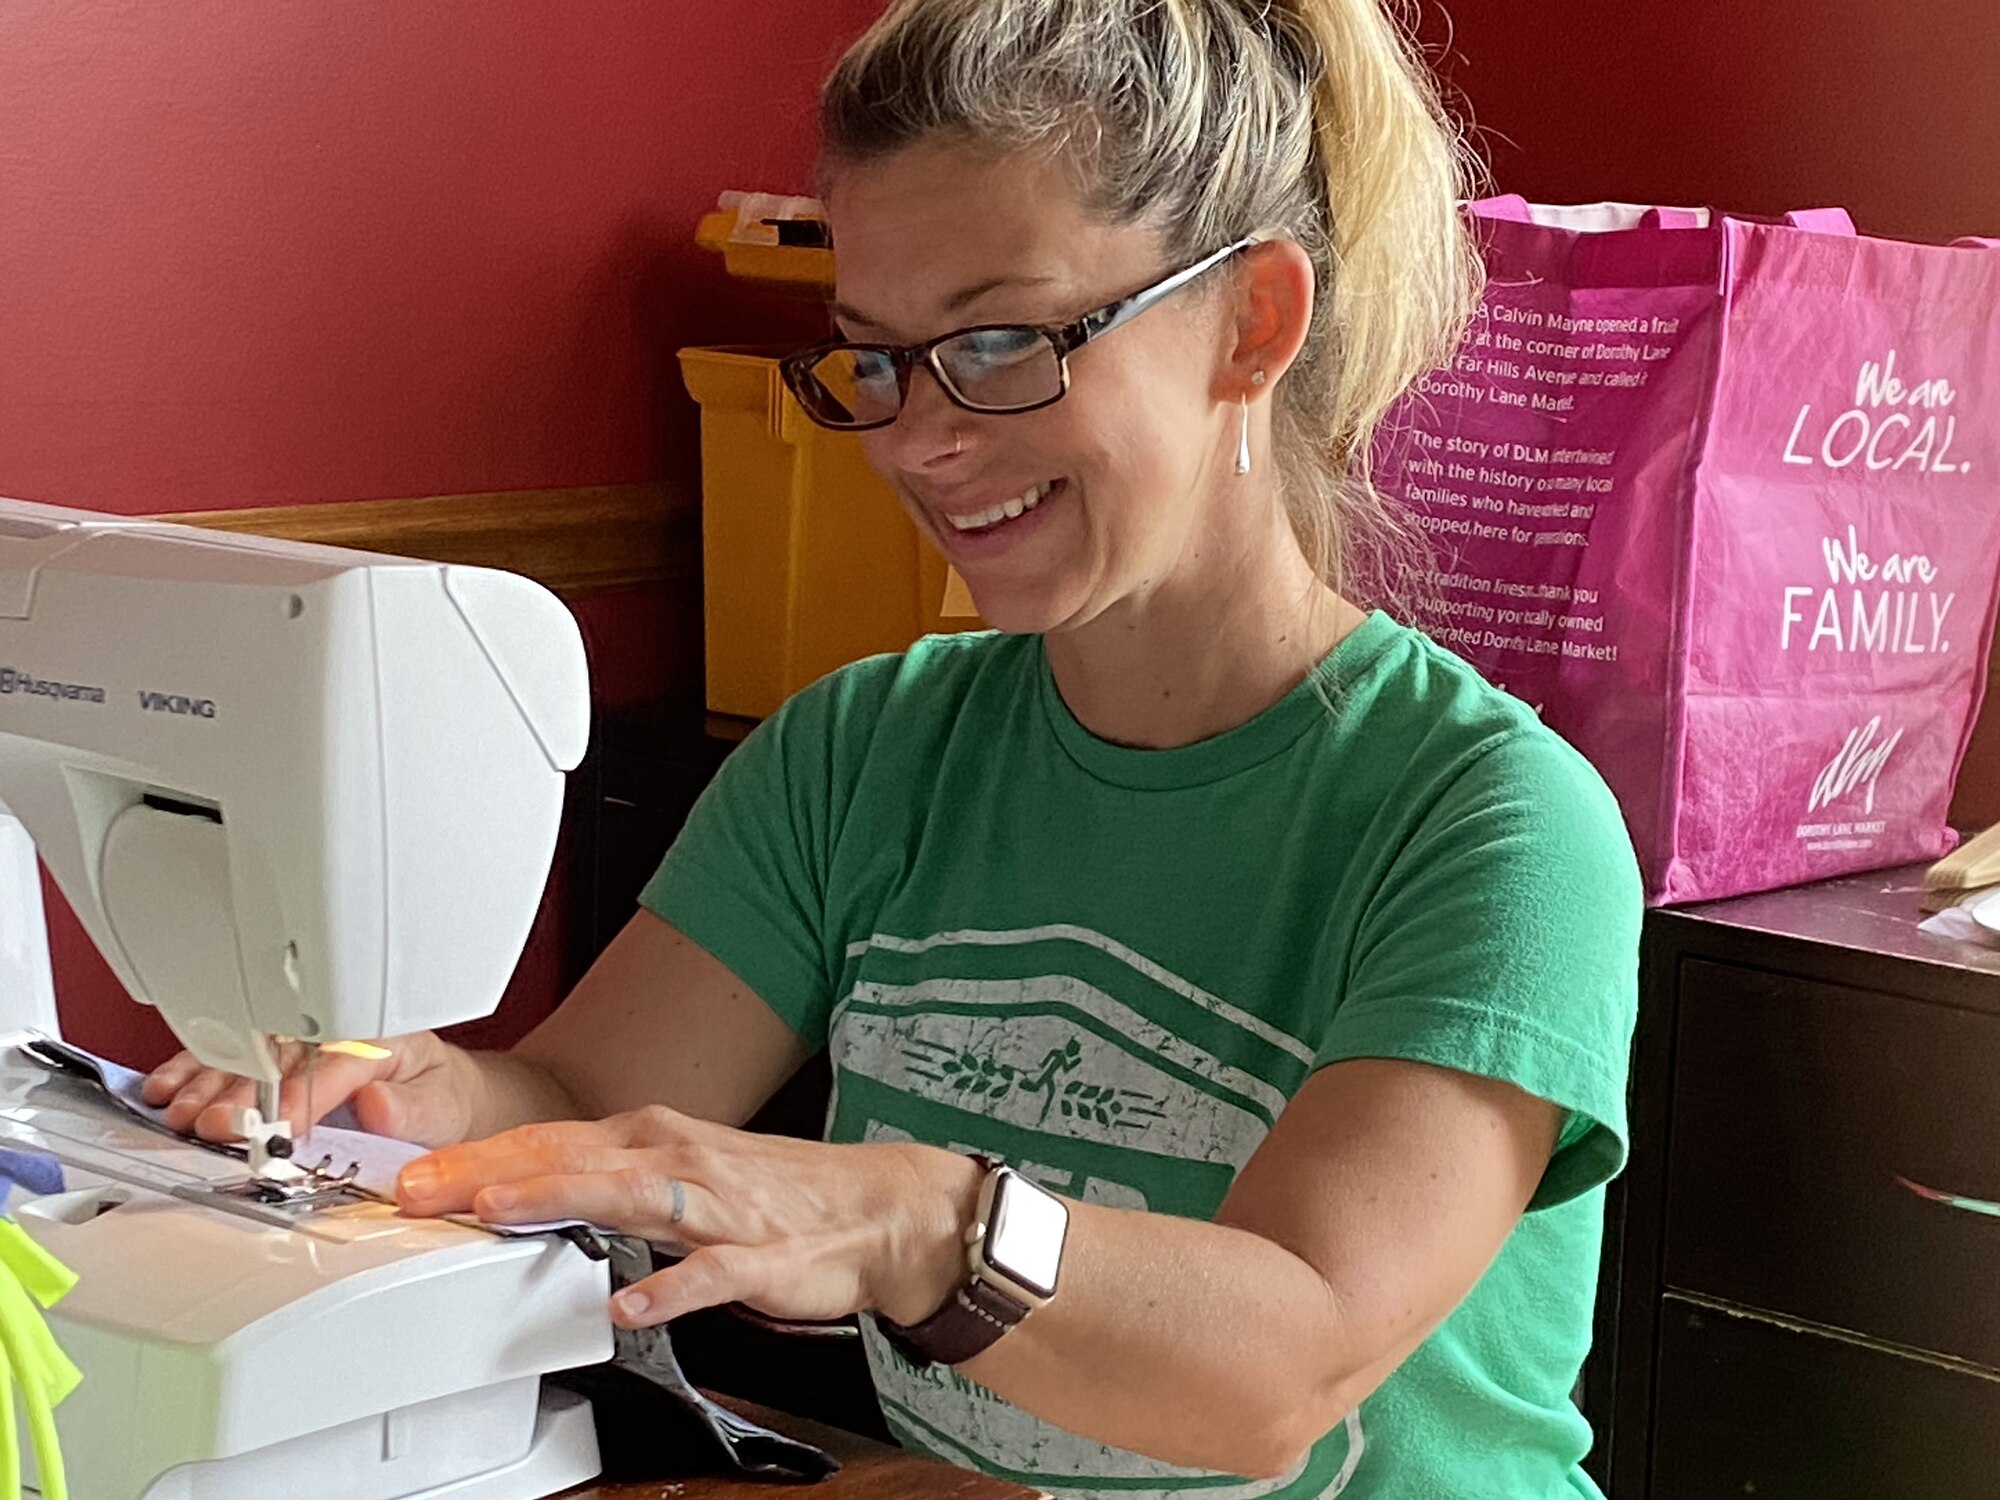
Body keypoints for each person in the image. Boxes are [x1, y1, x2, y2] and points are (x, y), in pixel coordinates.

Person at [144, 0, 1641, 1493]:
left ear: (1251, 320)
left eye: (999, 341)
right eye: (877, 355)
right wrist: (416, 1100)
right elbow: (580, 1103)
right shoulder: (866, 749)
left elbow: (1284, 1366)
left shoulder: (1495, 828)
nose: (918, 440)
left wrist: (921, 1223)